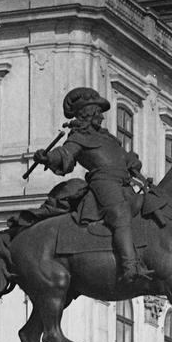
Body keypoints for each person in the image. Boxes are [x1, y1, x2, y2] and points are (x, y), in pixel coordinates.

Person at [32, 88, 148, 285]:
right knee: (119, 213)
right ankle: (130, 266)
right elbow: (64, 154)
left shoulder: (107, 137)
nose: (102, 117)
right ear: (89, 113)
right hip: (104, 184)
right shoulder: (78, 137)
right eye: (98, 113)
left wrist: (131, 160)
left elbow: (120, 155)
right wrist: (48, 157)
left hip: (125, 182)